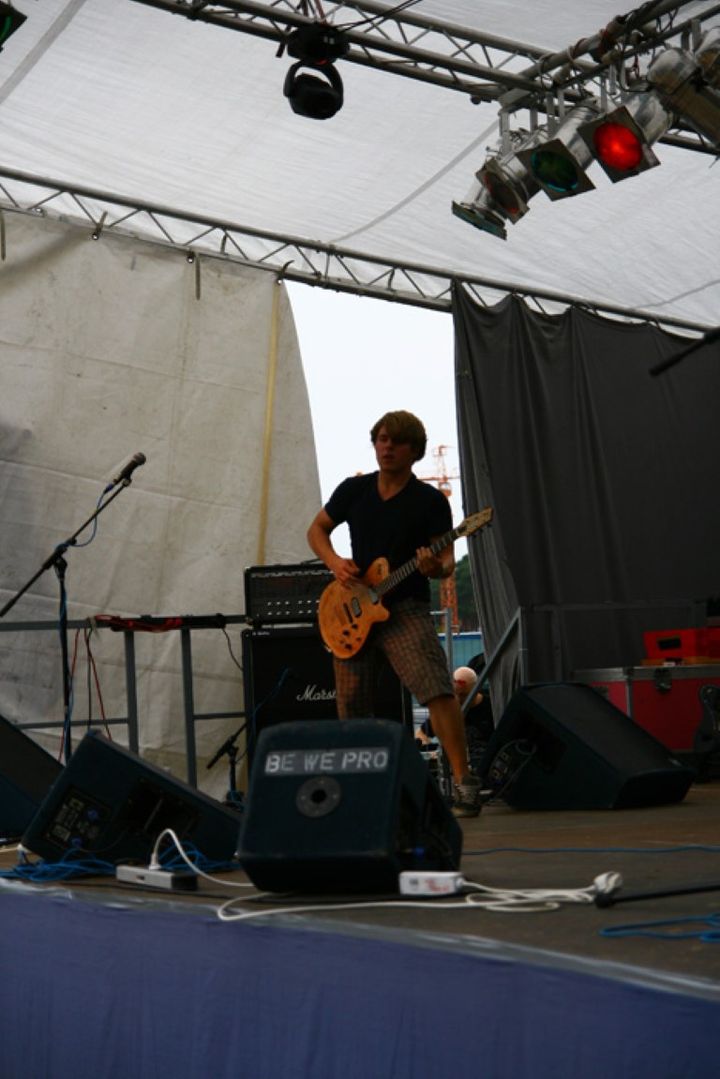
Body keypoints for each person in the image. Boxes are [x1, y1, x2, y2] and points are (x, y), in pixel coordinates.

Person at [306, 410, 482, 817]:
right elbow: (317, 530)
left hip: (405, 609)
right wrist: (335, 562)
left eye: (397, 442)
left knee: (437, 689)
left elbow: (446, 561)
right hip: (354, 608)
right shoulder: (354, 490)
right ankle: (360, 792)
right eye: (382, 439)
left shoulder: (430, 501)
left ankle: (464, 782)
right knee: (351, 703)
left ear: (414, 451)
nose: (387, 447)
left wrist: (433, 567)